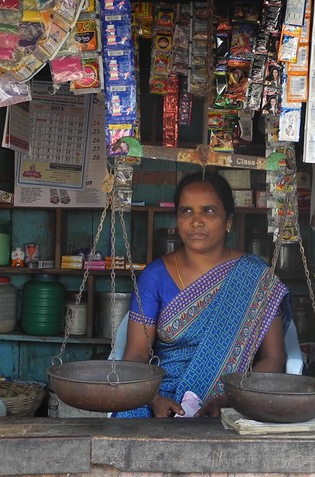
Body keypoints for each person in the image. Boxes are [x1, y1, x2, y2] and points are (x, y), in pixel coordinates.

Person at [115, 170, 291, 418]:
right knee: (129, 420)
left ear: (228, 221)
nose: (196, 221)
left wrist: (230, 400)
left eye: (208, 210)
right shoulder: (154, 277)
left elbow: (273, 357)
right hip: (161, 396)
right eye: (186, 211)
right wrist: (154, 399)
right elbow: (136, 355)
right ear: (177, 220)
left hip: (232, 397)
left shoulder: (256, 276)